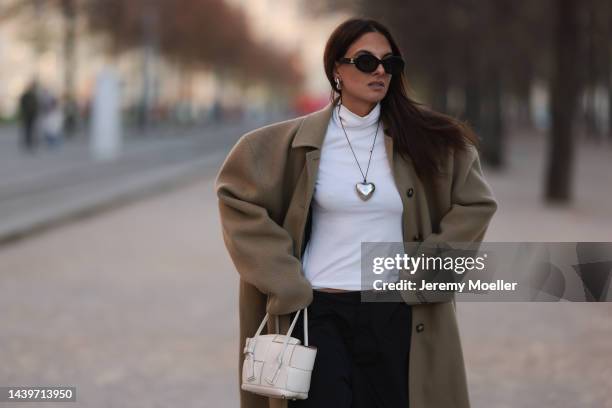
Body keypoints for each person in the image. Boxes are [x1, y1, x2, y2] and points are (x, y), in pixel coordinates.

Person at [215, 17, 498, 408]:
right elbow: (237, 198)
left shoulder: (430, 142)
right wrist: (284, 280)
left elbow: (476, 203)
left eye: (390, 63)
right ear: (337, 69)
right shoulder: (288, 143)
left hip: (395, 313)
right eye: (366, 61)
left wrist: (428, 271)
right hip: (318, 313)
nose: (380, 70)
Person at [18, 80, 40, 152]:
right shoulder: (25, 95)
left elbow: (36, 105)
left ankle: (32, 141)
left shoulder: (33, 95)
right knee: (27, 129)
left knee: (32, 128)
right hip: (26, 115)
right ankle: (28, 141)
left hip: (32, 115)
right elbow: (21, 104)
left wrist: (36, 112)